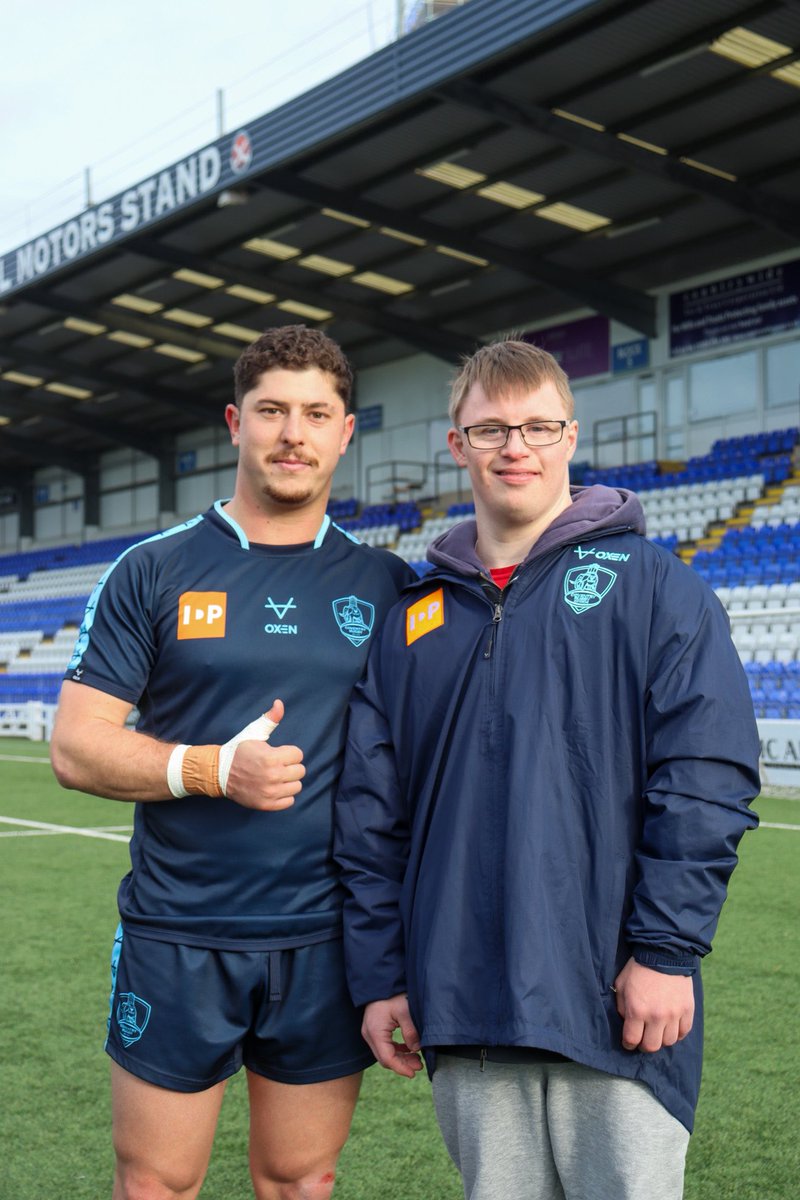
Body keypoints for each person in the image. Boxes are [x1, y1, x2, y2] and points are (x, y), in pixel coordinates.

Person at [334, 338, 760, 1200]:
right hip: (464, 1008)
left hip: (616, 1007)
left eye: (537, 426)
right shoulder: (412, 621)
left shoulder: (654, 587)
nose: (515, 448)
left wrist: (665, 952)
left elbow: (707, 775)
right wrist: (382, 977)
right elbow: (371, 820)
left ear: (570, 436)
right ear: (457, 446)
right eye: (490, 430)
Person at [50, 324, 416, 1200]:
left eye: (316, 414)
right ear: (235, 422)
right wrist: (214, 769)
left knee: (301, 1180)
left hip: (327, 940)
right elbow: (75, 744)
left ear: (345, 432)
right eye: (271, 411)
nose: (293, 433)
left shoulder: (387, 583)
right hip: (179, 933)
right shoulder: (154, 569)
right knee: (156, 1183)